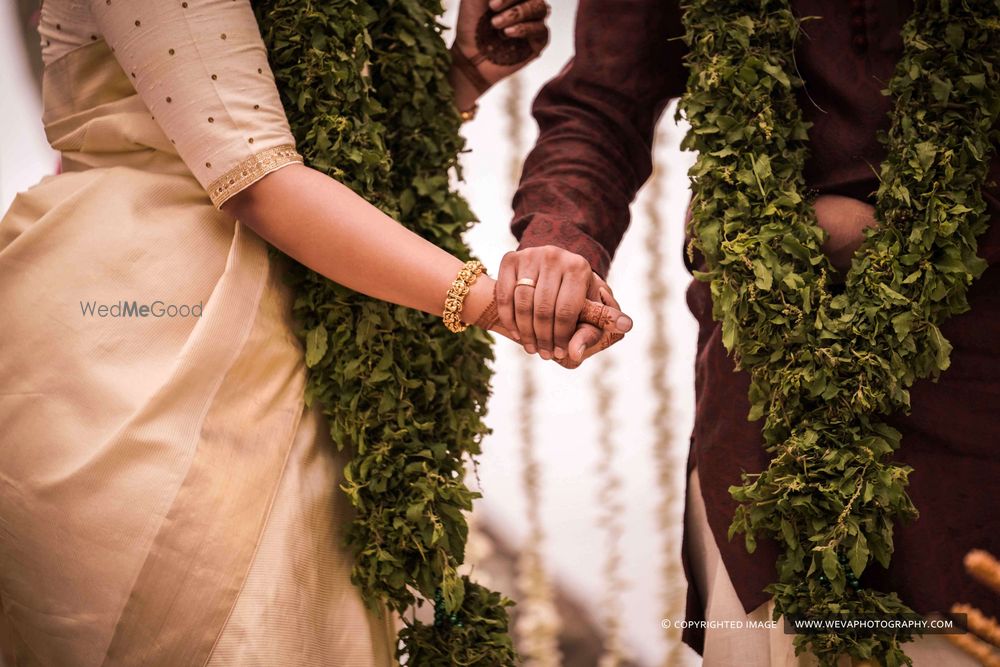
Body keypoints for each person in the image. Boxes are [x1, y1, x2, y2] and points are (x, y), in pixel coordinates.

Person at [0, 0, 631, 665]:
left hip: (317, 346)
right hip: (153, 359)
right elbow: (257, 177)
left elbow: (328, 145)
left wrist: (461, 76)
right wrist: (496, 302)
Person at [495, 0, 999, 664]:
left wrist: (874, 235)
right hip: (763, 424)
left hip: (976, 418)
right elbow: (601, 101)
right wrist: (560, 244)